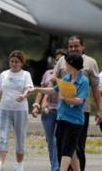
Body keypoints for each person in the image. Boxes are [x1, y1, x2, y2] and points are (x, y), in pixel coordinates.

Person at [52, 35, 102, 171]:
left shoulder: (91, 62)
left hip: (81, 111)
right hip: (62, 112)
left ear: (83, 47)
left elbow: (96, 88)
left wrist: (100, 109)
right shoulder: (62, 60)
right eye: (71, 46)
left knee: (78, 146)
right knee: (64, 147)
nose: (73, 49)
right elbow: (54, 83)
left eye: (76, 46)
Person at [33, 53, 89, 171]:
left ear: (72, 65)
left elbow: (80, 100)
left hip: (74, 121)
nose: (64, 66)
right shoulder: (66, 78)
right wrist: (37, 89)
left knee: (66, 150)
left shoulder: (84, 81)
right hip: (62, 118)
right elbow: (53, 90)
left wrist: (65, 99)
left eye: (66, 63)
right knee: (69, 148)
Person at [0, 50, 33, 171]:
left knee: (20, 137)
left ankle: (19, 164)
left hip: (20, 110)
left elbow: (29, 89)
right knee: (2, 136)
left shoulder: (25, 75)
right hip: (5, 109)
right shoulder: (4, 74)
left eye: (17, 62)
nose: (14, 64)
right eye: (12, 61)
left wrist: (23, 96)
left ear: (21, 63)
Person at [31, 49, 67, 171]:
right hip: (48, 112)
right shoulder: (48, 73)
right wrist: (36, 104)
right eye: (56, 59)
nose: (58, 62)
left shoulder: (68, 75)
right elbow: (42, 90)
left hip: (62, 111)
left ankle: (58, 167)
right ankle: (54, 166)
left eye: (61, 60)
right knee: (50, 141)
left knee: (57, 140)